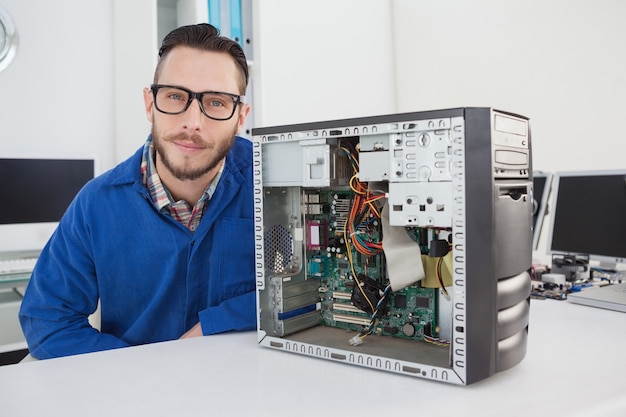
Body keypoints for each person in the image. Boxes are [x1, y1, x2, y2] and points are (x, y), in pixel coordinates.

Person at [18, 23, 256, 359]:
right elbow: (48, 321)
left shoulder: (274, 184)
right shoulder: (96, 204)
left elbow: (315, 292)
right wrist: (146, 370)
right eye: (176, 96)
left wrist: (217, 323)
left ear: (240, 117)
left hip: (250, 386)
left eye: (216, 103)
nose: (193, 122)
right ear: (149, 104)